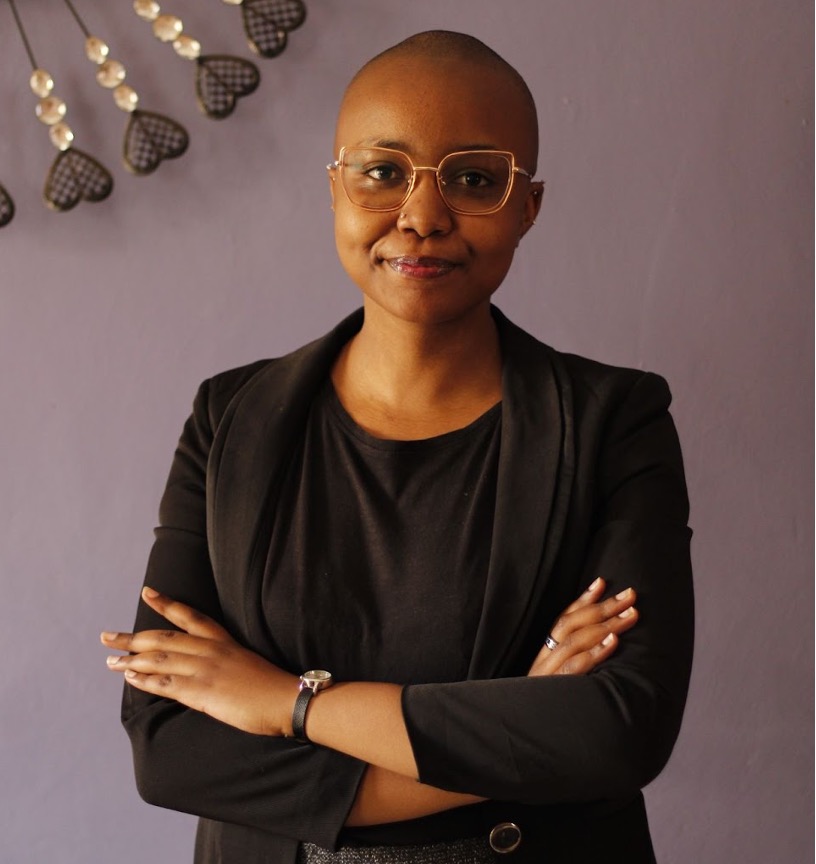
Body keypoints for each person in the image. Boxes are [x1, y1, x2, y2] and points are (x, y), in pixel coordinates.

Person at [101, 30, 693, 864]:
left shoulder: (613, 422)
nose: (421, 216)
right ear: (335, 190)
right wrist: (510, 734)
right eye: (382, 172)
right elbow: (167, 748)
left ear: (527, 206)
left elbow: (616, 732)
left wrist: (286, 704)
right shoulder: (230, 418)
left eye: (474, 179)